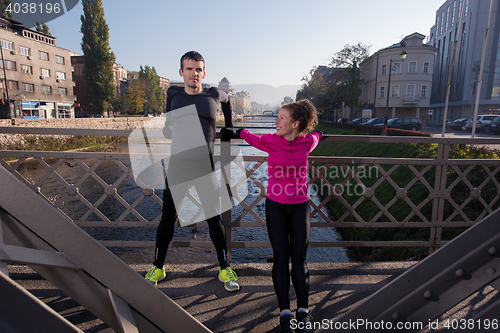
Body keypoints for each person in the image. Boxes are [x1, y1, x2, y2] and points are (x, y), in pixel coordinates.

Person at [144, 51, 240, 292]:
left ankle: (223, 268)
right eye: (189, 69)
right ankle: (158, 267)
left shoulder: (214, 95)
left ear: (203, 73)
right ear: (181, 72)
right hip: (177, 166)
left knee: (213, 220)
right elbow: (168, 118)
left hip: (204, 168)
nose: (194, 73)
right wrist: (168, 126)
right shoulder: (173, 93)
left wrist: (229, 127)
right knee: (167, 219)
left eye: (198, 69)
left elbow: (228, 102)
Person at [237, 99, 323, 333]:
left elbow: (316, 137)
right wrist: (239, 131)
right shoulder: (271, 141)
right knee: (280, 257)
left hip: (299, 207)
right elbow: (251, 138)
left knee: (299, 259)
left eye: (282, 118)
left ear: (296, 124)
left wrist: (320, 134)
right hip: (276, 206)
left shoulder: (307, 142)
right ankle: (285, 313)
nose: (277, 121)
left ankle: (303, 312)